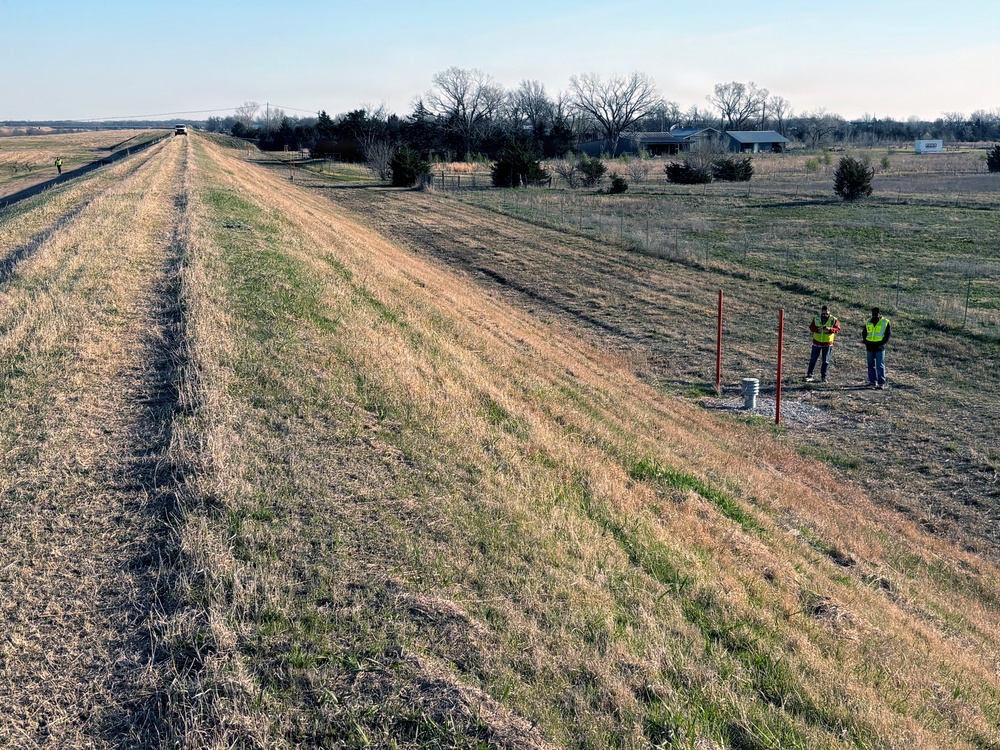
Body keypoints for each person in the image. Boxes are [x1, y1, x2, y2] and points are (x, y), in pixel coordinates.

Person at [805, 304, 841, 382]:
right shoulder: (816, 318)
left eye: (826, 313)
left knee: (825, 361)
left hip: (827, 343)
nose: (825, 315)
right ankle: (809, 375)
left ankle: (824, 377)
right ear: (821, 312)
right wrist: (818, 329)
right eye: (823, 313)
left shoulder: (833, 319)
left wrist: (830, 329)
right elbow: (811, 327)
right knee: (813, 359)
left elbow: (837, 329)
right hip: (816, 342)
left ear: (829, 312)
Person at [862, 307, 891, 389]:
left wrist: (881, 344)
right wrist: (866, 342)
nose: (874, 316)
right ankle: (872, 382)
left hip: (879, 348)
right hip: (870, 347)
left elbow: (887, 335)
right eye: (873, 314)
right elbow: (864, 333)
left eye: (876, 314)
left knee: (880, 365)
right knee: (870, 365)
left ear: (880, 314)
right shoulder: (868, 321)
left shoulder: (885, 322)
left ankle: (881, 383)